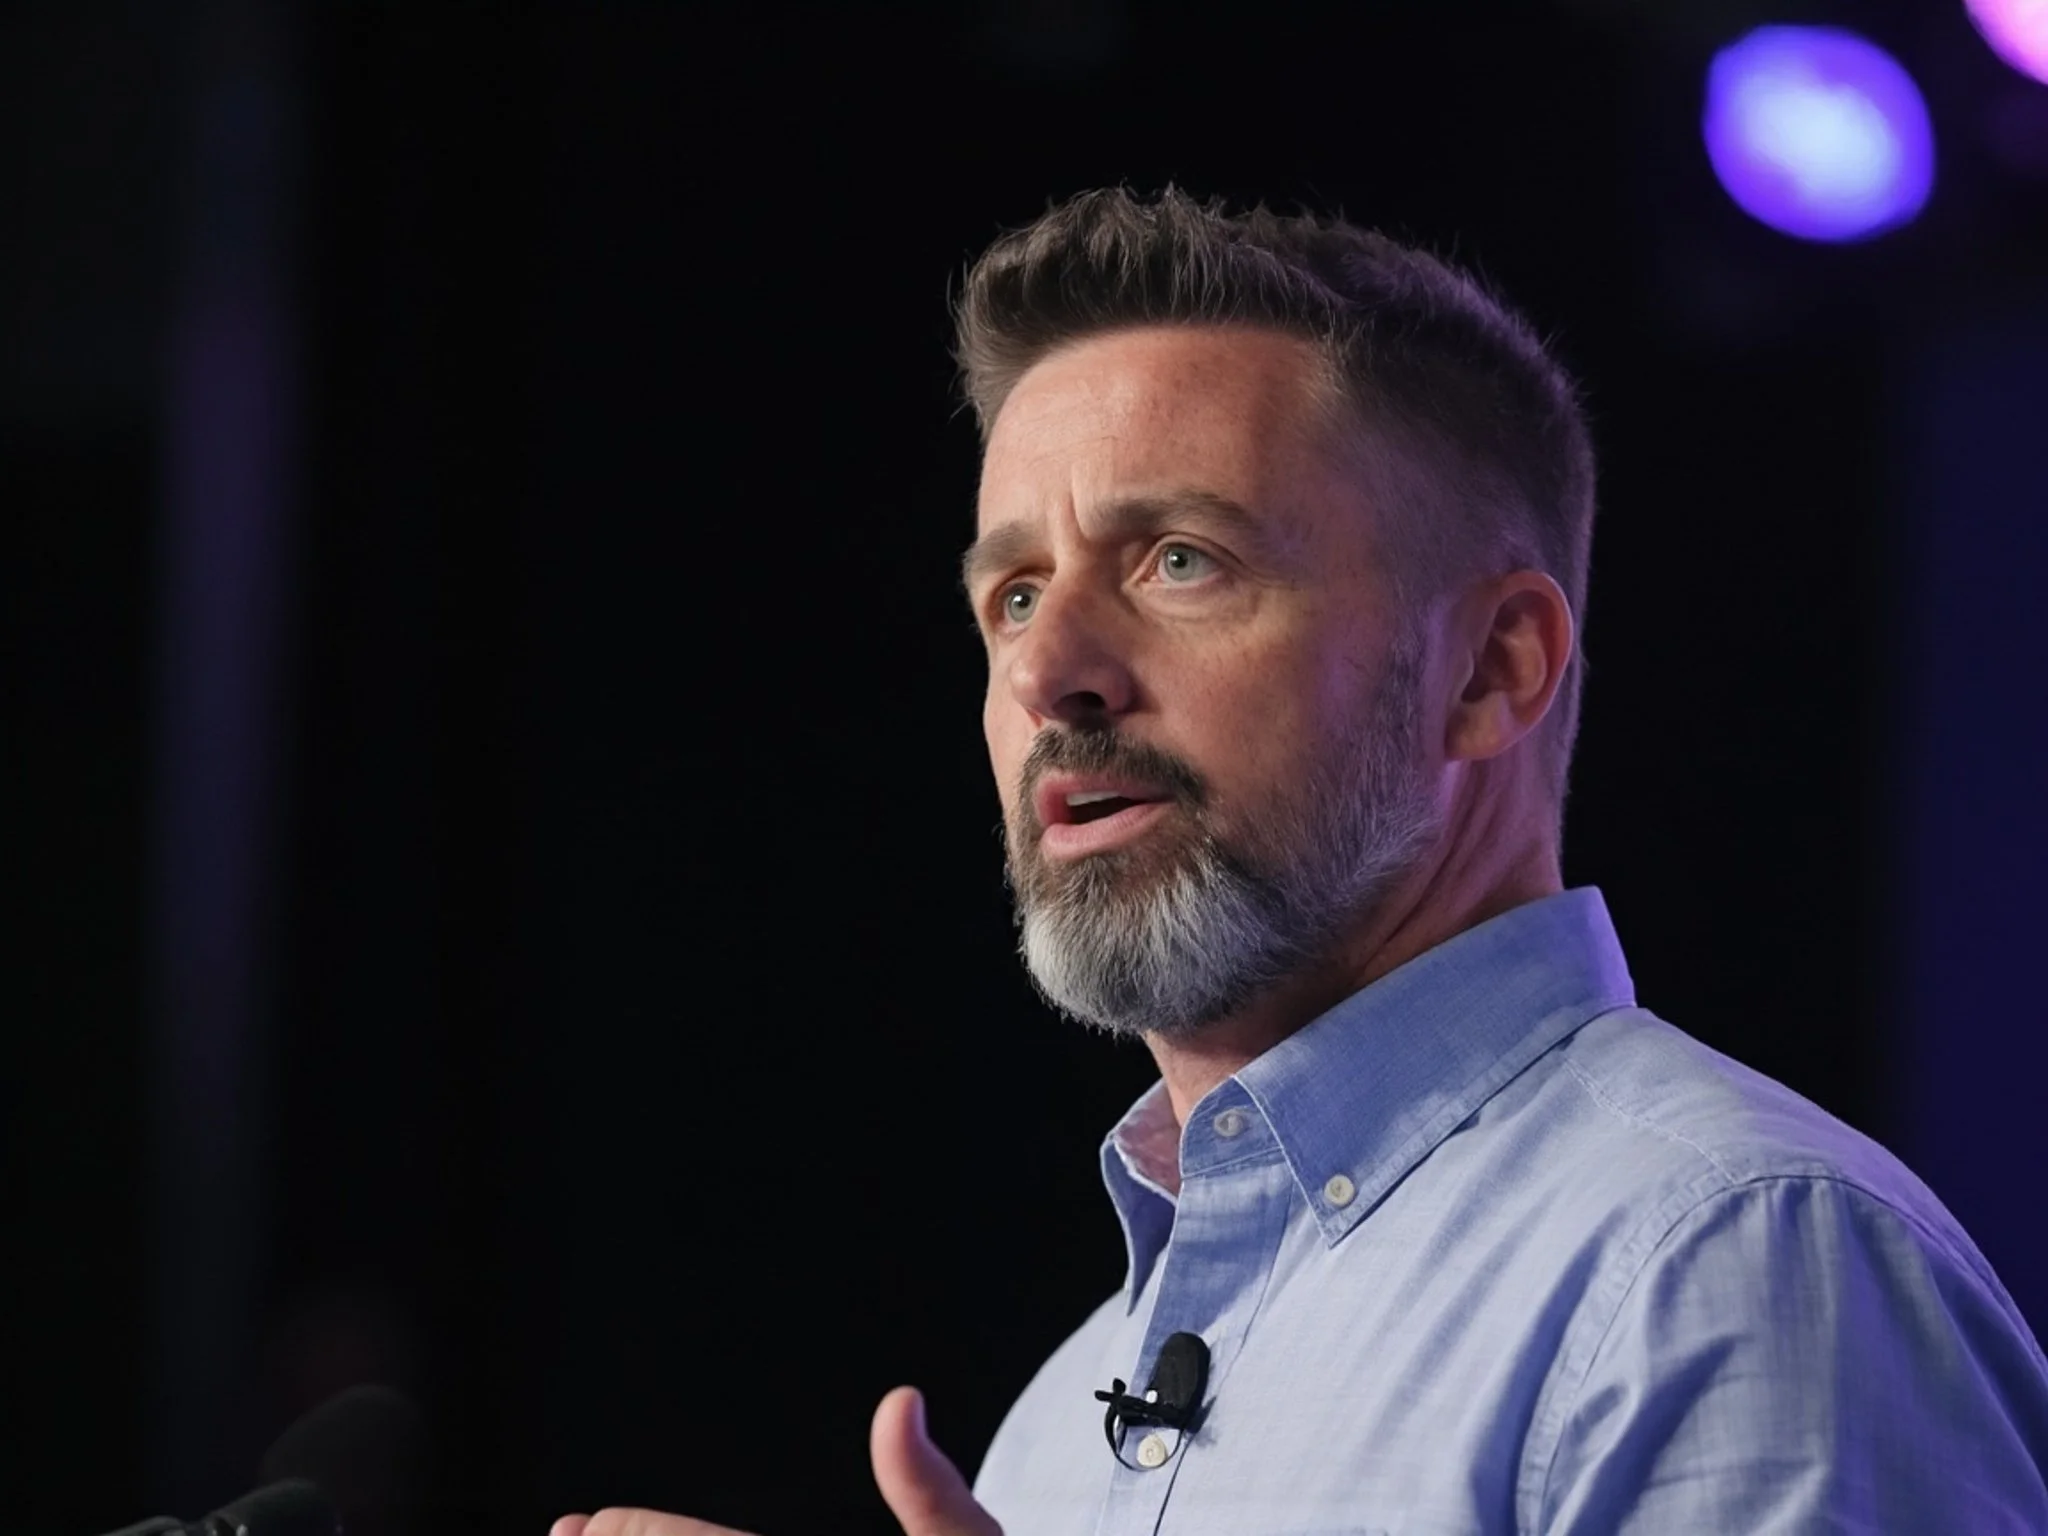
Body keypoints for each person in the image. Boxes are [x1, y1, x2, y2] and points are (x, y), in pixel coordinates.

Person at [551, 189, 2048, 1534]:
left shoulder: (1733, 1269)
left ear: (1492, 671)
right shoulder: (1051, 1434)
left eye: (1180, 561)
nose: (1049, 671)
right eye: (1012, 595)